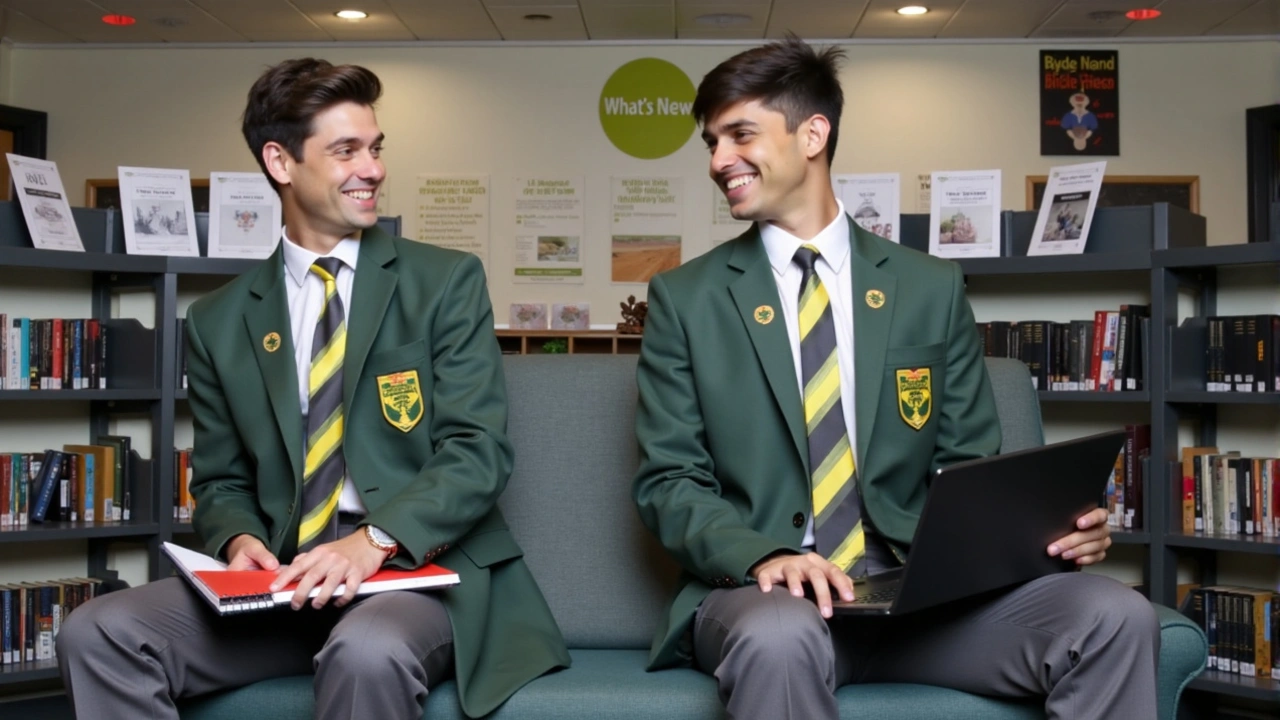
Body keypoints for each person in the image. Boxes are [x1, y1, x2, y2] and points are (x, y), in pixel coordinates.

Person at [632, 37, 1158, 720]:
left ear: (813, 133)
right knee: (780, 637)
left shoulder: (927, 287)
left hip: (923, 600)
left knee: (1116, 615)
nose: (718, 161)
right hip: (772, 602)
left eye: (739, 135)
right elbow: (668, 482)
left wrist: (1053, 532)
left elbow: (970, 464)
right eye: (711, 142)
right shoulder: (686, 299)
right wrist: (765, 556)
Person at [57, 58, 569, 720]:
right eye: (346, 150)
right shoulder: (218, 319)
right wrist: (239, 542)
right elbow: (220, 482)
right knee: (96, 632)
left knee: (365, 652)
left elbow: (478, 452)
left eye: (376, 149)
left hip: (413, 579)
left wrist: (371, 542)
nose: (374, 169)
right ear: (280, 162)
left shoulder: (444, 281)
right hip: (285, 588)